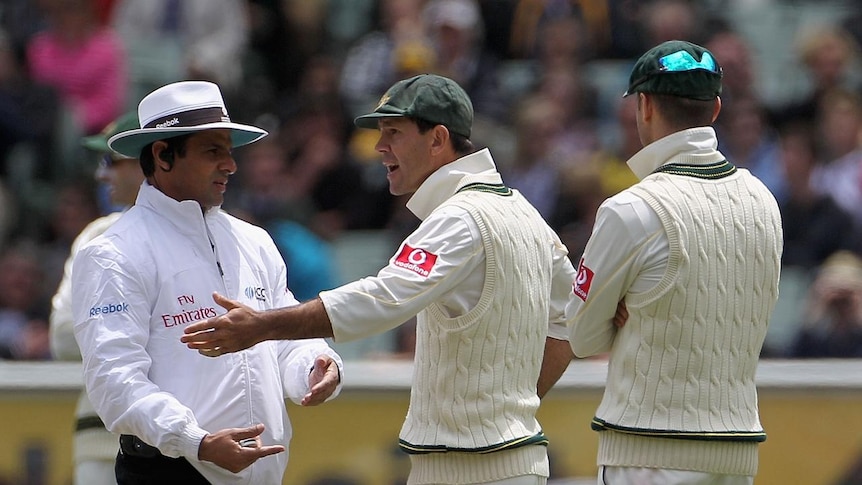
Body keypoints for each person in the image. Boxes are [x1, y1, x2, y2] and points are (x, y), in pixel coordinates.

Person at [182, 73, 579, 485]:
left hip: (469, 468)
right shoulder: (524, 211)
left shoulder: (459, 217)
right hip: (510, 460)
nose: (379, 147)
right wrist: (515, 410)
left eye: (393, 133)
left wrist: (264, 326)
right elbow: (570, 318)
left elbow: (382, 298)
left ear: (437, 140)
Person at [70, 80, 343, 484]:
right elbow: (114, 383)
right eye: (213, 151)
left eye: (229, 153)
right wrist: (195, 442)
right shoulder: (113, 253)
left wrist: (317, 366)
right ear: (162, 155)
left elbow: (284, 339)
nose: (230, 165)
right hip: (167, 472)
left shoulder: (252, 240)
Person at [562, 40, 783, 484]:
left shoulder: (630, 209)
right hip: (736, 454)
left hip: (648, 454)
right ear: (716, 108)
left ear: (643, 106)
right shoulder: (764, 200)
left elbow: (583, 336)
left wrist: (626, 314)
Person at [49, 111, 141, 485]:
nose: (101, 175)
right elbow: (63, 337)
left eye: (110, 161)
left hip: (193, 436)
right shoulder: (97, 235)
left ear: (148, 161)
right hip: (101, 437)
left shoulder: (217, 231)